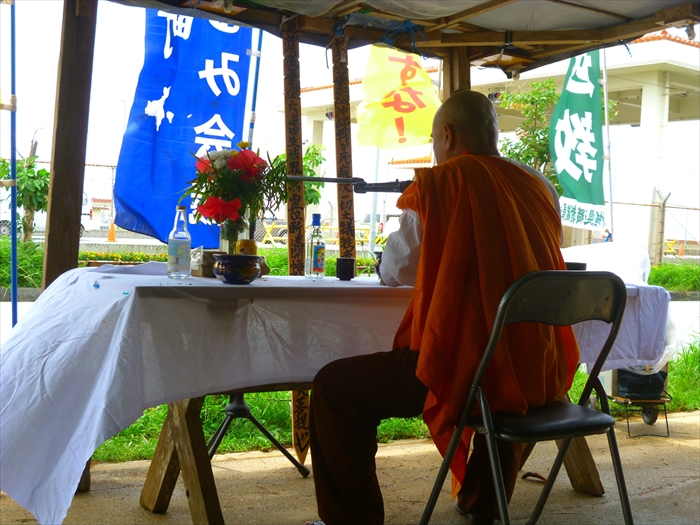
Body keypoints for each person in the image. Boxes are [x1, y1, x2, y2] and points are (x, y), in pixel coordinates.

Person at [305, 90, 579, 525]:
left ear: (447, 135)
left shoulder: (444, 183)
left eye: (434, 139)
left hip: (471, 373)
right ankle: (481, 502)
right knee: (501, 367)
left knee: (335, 387)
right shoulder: (538, 186)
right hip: (539, 370)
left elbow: (397, 269)